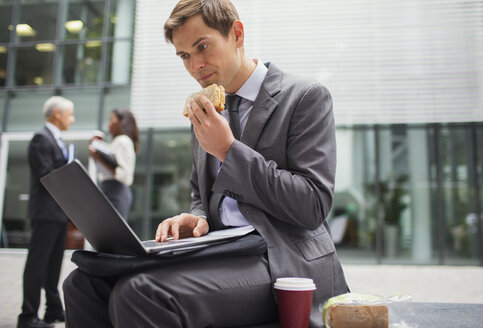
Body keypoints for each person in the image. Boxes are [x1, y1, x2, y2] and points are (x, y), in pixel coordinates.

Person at [62, 0, 349, 327]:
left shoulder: (304, 96)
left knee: (141, 292)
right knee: (82, 284)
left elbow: (313, 206)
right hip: (220, 250)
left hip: (282, 258)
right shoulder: (203, 109)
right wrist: (196, 218)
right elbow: (202, 195)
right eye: (184, 55)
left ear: (236, 34)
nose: (195, 65)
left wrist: (228, 150)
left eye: (202, 46)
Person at [18, 96, 75, 328]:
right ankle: (28, 316)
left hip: (58, 212)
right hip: (45, 212)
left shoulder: (57, 139)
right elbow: (46, 175)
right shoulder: (41, 139)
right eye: (70, 114)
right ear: (57, 114)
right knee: (37, 265)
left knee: (53, 265)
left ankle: (52, 309)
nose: (72, 119)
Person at [89, 109, 139, 220]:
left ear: (122, 122)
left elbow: (124, 174)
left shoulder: (123, 140)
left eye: (112, 120)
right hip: (111, 189)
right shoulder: (118, 141)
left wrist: (99, 159)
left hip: (115, 189)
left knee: (113, 233)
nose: (109, 124)